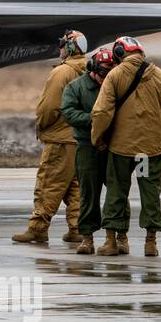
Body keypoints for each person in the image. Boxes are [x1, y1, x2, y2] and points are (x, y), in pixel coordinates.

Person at [90, 36, 161, 257]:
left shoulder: (115, 75)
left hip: (121, 149)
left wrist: (97, 138)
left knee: (117, 191)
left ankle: (112, 241)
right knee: (150, 193)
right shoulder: (159, 75)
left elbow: (101, 112)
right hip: (149, 151)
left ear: (119, 53)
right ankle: (150, 242)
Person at [12, 29, 87, 245]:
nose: (60, 48)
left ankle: (37, 228)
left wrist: (41, 126)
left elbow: (49, 108)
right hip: (79, 139)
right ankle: (78, 228)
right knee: (74, 186)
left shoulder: (62, 73)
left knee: (49, 183)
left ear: (71, 48)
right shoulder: (88, 69)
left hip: (60, 140)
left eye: (63, 44)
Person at [61, 46, 117, 254]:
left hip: (114, 146)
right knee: (88, 194)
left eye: (111, 73)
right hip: (87, 146)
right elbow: (68, 112)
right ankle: (87, 237)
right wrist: (95, 121)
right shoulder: (76, 87)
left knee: (116, 193)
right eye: (103, 73)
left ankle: (119, 237)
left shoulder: (118, 85)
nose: (106, 78)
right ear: (93, 69)